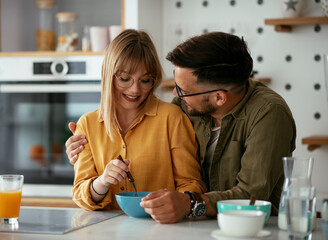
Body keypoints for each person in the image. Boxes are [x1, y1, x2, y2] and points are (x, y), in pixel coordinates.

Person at [66, 31, 296, 223]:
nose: (176, 95)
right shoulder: (188, 106)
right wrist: (82, 145)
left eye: (183, 91)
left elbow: (250, 195)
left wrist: (189, 202)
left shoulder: (268, 114)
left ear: (218, 98)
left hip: (250, 229)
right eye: (175, 86)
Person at [71, 29, 206, 211]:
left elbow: (192, 184)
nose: (135, 90)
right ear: (108, 75)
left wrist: (175, 205)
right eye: (125, 79)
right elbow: (80, 194)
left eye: (145, 80)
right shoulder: (87, 124)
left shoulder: (172, 118)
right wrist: (102, 181)